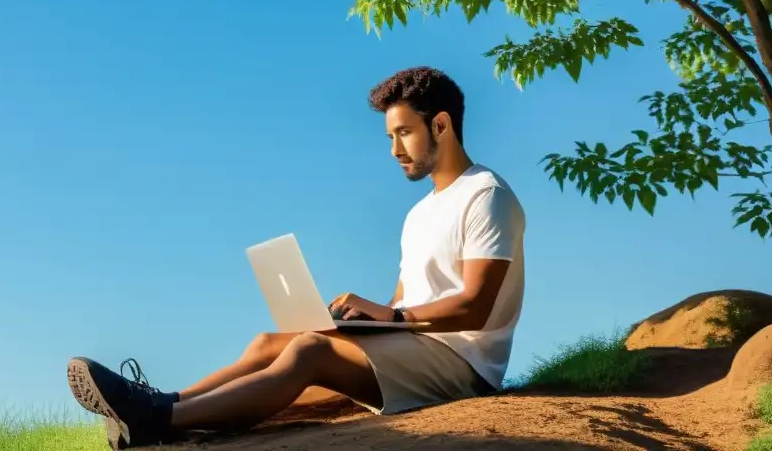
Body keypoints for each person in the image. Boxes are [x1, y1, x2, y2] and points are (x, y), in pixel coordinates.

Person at [66, 66, 526, 449]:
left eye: (403, 133)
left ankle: (158, 422)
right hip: (417, 350)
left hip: (464, 366)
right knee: (273, 341)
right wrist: (360, 320)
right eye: (390, 135)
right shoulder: (419, 213)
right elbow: (404, 301)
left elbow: (475, 308)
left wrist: (389, 315)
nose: (394, 150)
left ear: (440, 125)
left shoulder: (486, 196)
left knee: (308, 349)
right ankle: (162, 402)